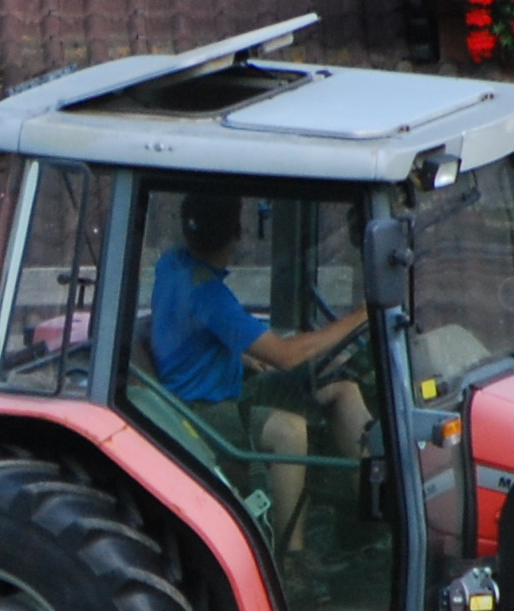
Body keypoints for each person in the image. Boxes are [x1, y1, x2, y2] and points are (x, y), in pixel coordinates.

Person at [147, 188, 373, 548]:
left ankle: (374, 513)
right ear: (237, 233)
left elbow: (184, 330)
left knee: (341, 383)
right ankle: (293, 556)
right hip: (203, 413)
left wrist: (237, 354)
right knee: (290, 430)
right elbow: (284, 355)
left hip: (216, 380)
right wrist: (359, 317)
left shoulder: (173, 263)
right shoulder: (212, 298)